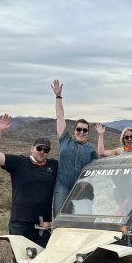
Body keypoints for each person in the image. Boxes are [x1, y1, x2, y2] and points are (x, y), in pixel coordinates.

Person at [0, 114, 58, 248]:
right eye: (39, 148)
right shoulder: (19, 162)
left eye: (46, 150)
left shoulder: (53, 166)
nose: (42, 152)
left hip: (43, 225)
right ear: (32, 149)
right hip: (20, 223)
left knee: (43, 262)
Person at [51, 79, 98, 216]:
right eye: (79, 129)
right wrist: (58, 96)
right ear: (74, 131)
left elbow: (94, 169)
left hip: (82, 187)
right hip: (63, 185)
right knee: (60, 217)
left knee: (83, 219)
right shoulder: (65, 140)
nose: (81, 132)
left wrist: (87, 182)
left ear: (88, 133)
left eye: (85, 130)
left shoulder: (90, 149)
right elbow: (60, 117)